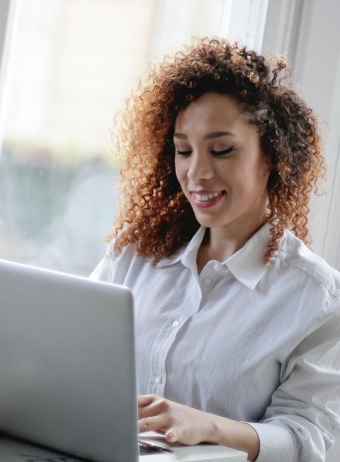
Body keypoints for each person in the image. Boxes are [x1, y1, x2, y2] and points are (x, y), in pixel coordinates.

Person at [90, 36, 340, 462]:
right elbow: (75, 351)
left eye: (222, 150)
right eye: (183, 150)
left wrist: (208, 426)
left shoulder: (317, 297)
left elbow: (306, 439)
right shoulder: (136, 254)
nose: (197, 173)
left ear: (273, 156)